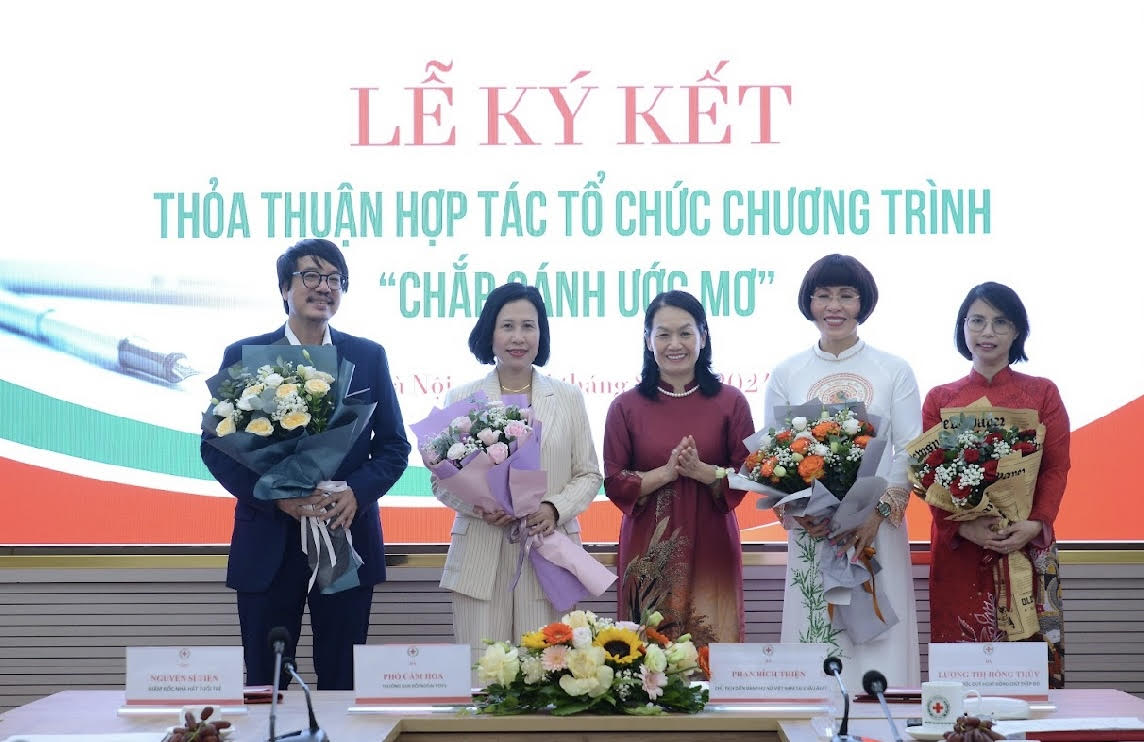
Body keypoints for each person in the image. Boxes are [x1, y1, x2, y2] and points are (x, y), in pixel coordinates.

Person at [201, 238, 410, 690]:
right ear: (285, 287)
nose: (324, 287)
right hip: (269, 542)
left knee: (343, 679)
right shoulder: (245, 354)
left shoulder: (367, 356)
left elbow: (394, 447)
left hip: (344, 537)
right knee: (267, 680)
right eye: (311, 276)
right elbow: (216, 448)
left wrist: (356, 492)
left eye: (335, 279)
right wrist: (278, 499)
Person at [764, 254, 921, 689]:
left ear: (862, 302)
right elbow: (774, 455)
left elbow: (910, 448)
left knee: (879, 643)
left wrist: (875, 514)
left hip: (876, 533)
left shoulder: (894, 369)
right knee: (816, 640)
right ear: (809, 302)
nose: (834, 306)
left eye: (846, 296)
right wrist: (800, 512)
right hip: (814, 533)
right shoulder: (787, 372)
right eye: (823, 295)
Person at [432, 282, 602, 666]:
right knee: (483, 674)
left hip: (549, 549)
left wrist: (553, 509)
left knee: (548, 673)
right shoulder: (462, 398)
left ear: (541, 334)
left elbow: (589, 474)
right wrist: (482, 505)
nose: (518, 337)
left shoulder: (568, 398)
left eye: (529, 326)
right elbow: (441, 479)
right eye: (507, 326)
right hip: (480, 553)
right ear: (489, 333)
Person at [924, 281, 1070, 687]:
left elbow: (1056, 467)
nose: (987, 332)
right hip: (961, 549)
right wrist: (963, 527)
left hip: (1027, 543)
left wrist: (1035, 523)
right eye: (977, 321)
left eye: (1000, 322)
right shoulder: (940, 398)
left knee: (1032, 678)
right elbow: (929, 476)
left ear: (1016, 330)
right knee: (962, 672)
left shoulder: (1043, 393)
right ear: (963, 327)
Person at [603, 290, 754, 646]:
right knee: (648, 656)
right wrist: (666, 473)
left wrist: (705, 473)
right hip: (649, 548)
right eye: (663, 334)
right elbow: (613, 480)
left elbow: (750, 474)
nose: (675, 344)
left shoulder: (731, 402)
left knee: (712, 647)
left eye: (685, 333)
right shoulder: (625, 406)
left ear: (703, 337)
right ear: (648, 340)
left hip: (712, 543)